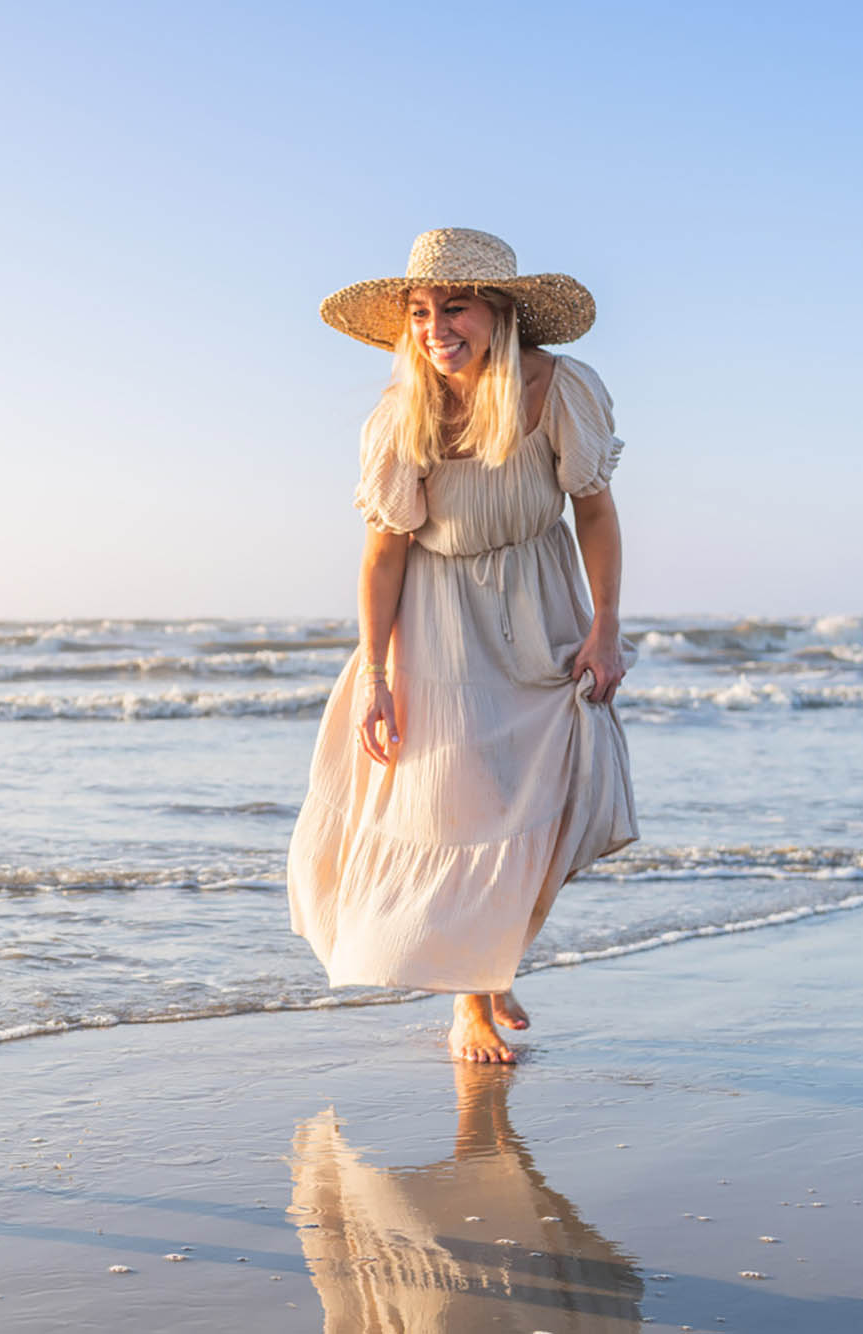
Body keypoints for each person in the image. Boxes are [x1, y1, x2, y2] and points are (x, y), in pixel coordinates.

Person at [287, 228, 637, 1064]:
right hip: (436, 616)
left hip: (539, 597)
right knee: (464, 803)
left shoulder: (559, 389)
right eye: (419, 311)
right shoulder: (399, 414)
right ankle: (471, 1002)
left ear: (502, 312)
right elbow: (384, 552)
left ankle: (494, 954)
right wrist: (374, 674)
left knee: (559, 789)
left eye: (456, 306)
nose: (436, 327)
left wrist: (605, 626)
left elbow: (593, 512)